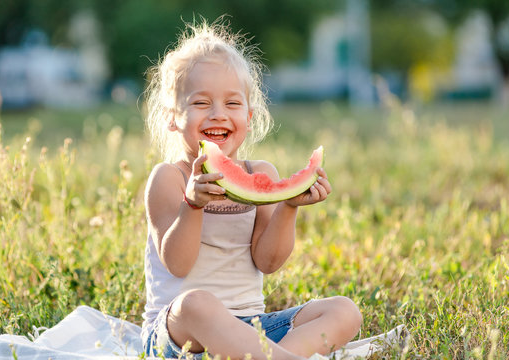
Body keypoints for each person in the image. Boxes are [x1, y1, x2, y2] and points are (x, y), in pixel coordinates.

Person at [141, 19, 362, 360]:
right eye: (201, 103)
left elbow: (268, 261)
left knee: (345, 311)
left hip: (251, 327)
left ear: (249, 114)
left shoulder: (261, 173)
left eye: (232, 104)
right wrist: (193, 205)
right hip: (176, 336)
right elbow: (178, 264)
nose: (218, 115)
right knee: (194, 303)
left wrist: (289, 205)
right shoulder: (168, 178)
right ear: (173, 117)